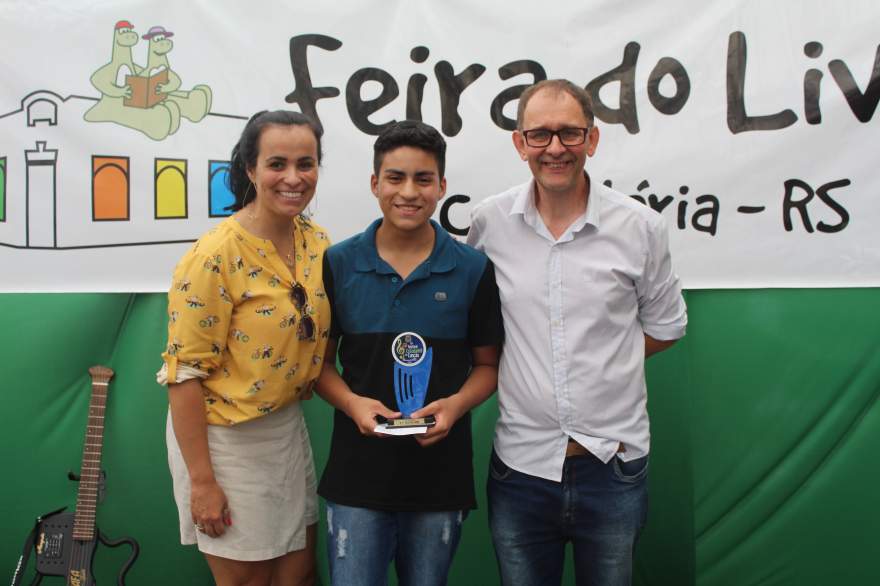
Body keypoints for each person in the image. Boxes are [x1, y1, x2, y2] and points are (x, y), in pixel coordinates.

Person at [467, 79, 688, 586]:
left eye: (569, 133)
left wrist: (605, 363)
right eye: (540, 135)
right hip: (520, 468)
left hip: (613, 466)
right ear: (520, 143)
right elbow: (472, 320)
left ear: (592, 139)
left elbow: (666, 328)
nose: (555, 148)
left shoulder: (641, 228)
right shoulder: (489, 223)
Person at [316, 120, 504, 586]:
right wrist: (353, 403)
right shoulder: (338, 263)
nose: (409, 191)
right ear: (375, 183)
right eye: (395, 178)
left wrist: (456, 405)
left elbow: (487, 366)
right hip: (356, 478)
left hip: (440, 481)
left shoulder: (472, 268)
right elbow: (318, 367)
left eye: (423, 179)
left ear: (441, 186)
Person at [158, 110, 331, 586]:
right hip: (223, 441)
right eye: (277, 164)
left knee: (299, 575)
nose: (293, 178)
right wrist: (203, 482)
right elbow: (183, 374)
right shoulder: (214, 255)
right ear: (251, 170)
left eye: (306, 163)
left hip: (286, 430)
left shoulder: (316, 243)